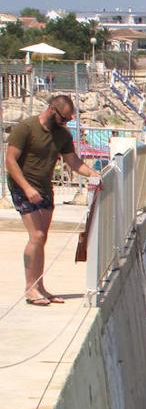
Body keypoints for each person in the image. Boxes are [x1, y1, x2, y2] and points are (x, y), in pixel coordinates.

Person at [4, 95, 100, 304]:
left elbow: (73, 161)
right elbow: (10, 161)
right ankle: (30, 289)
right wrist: (27, 188)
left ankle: (40, 286)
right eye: (63, 119)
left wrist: (96, 176)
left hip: (44, 188)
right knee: (36, 235)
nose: (64, 123)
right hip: (22, 185)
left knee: (42, 237)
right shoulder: (26, 128)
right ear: (51, 110)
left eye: (67, 121)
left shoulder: (62, 135)